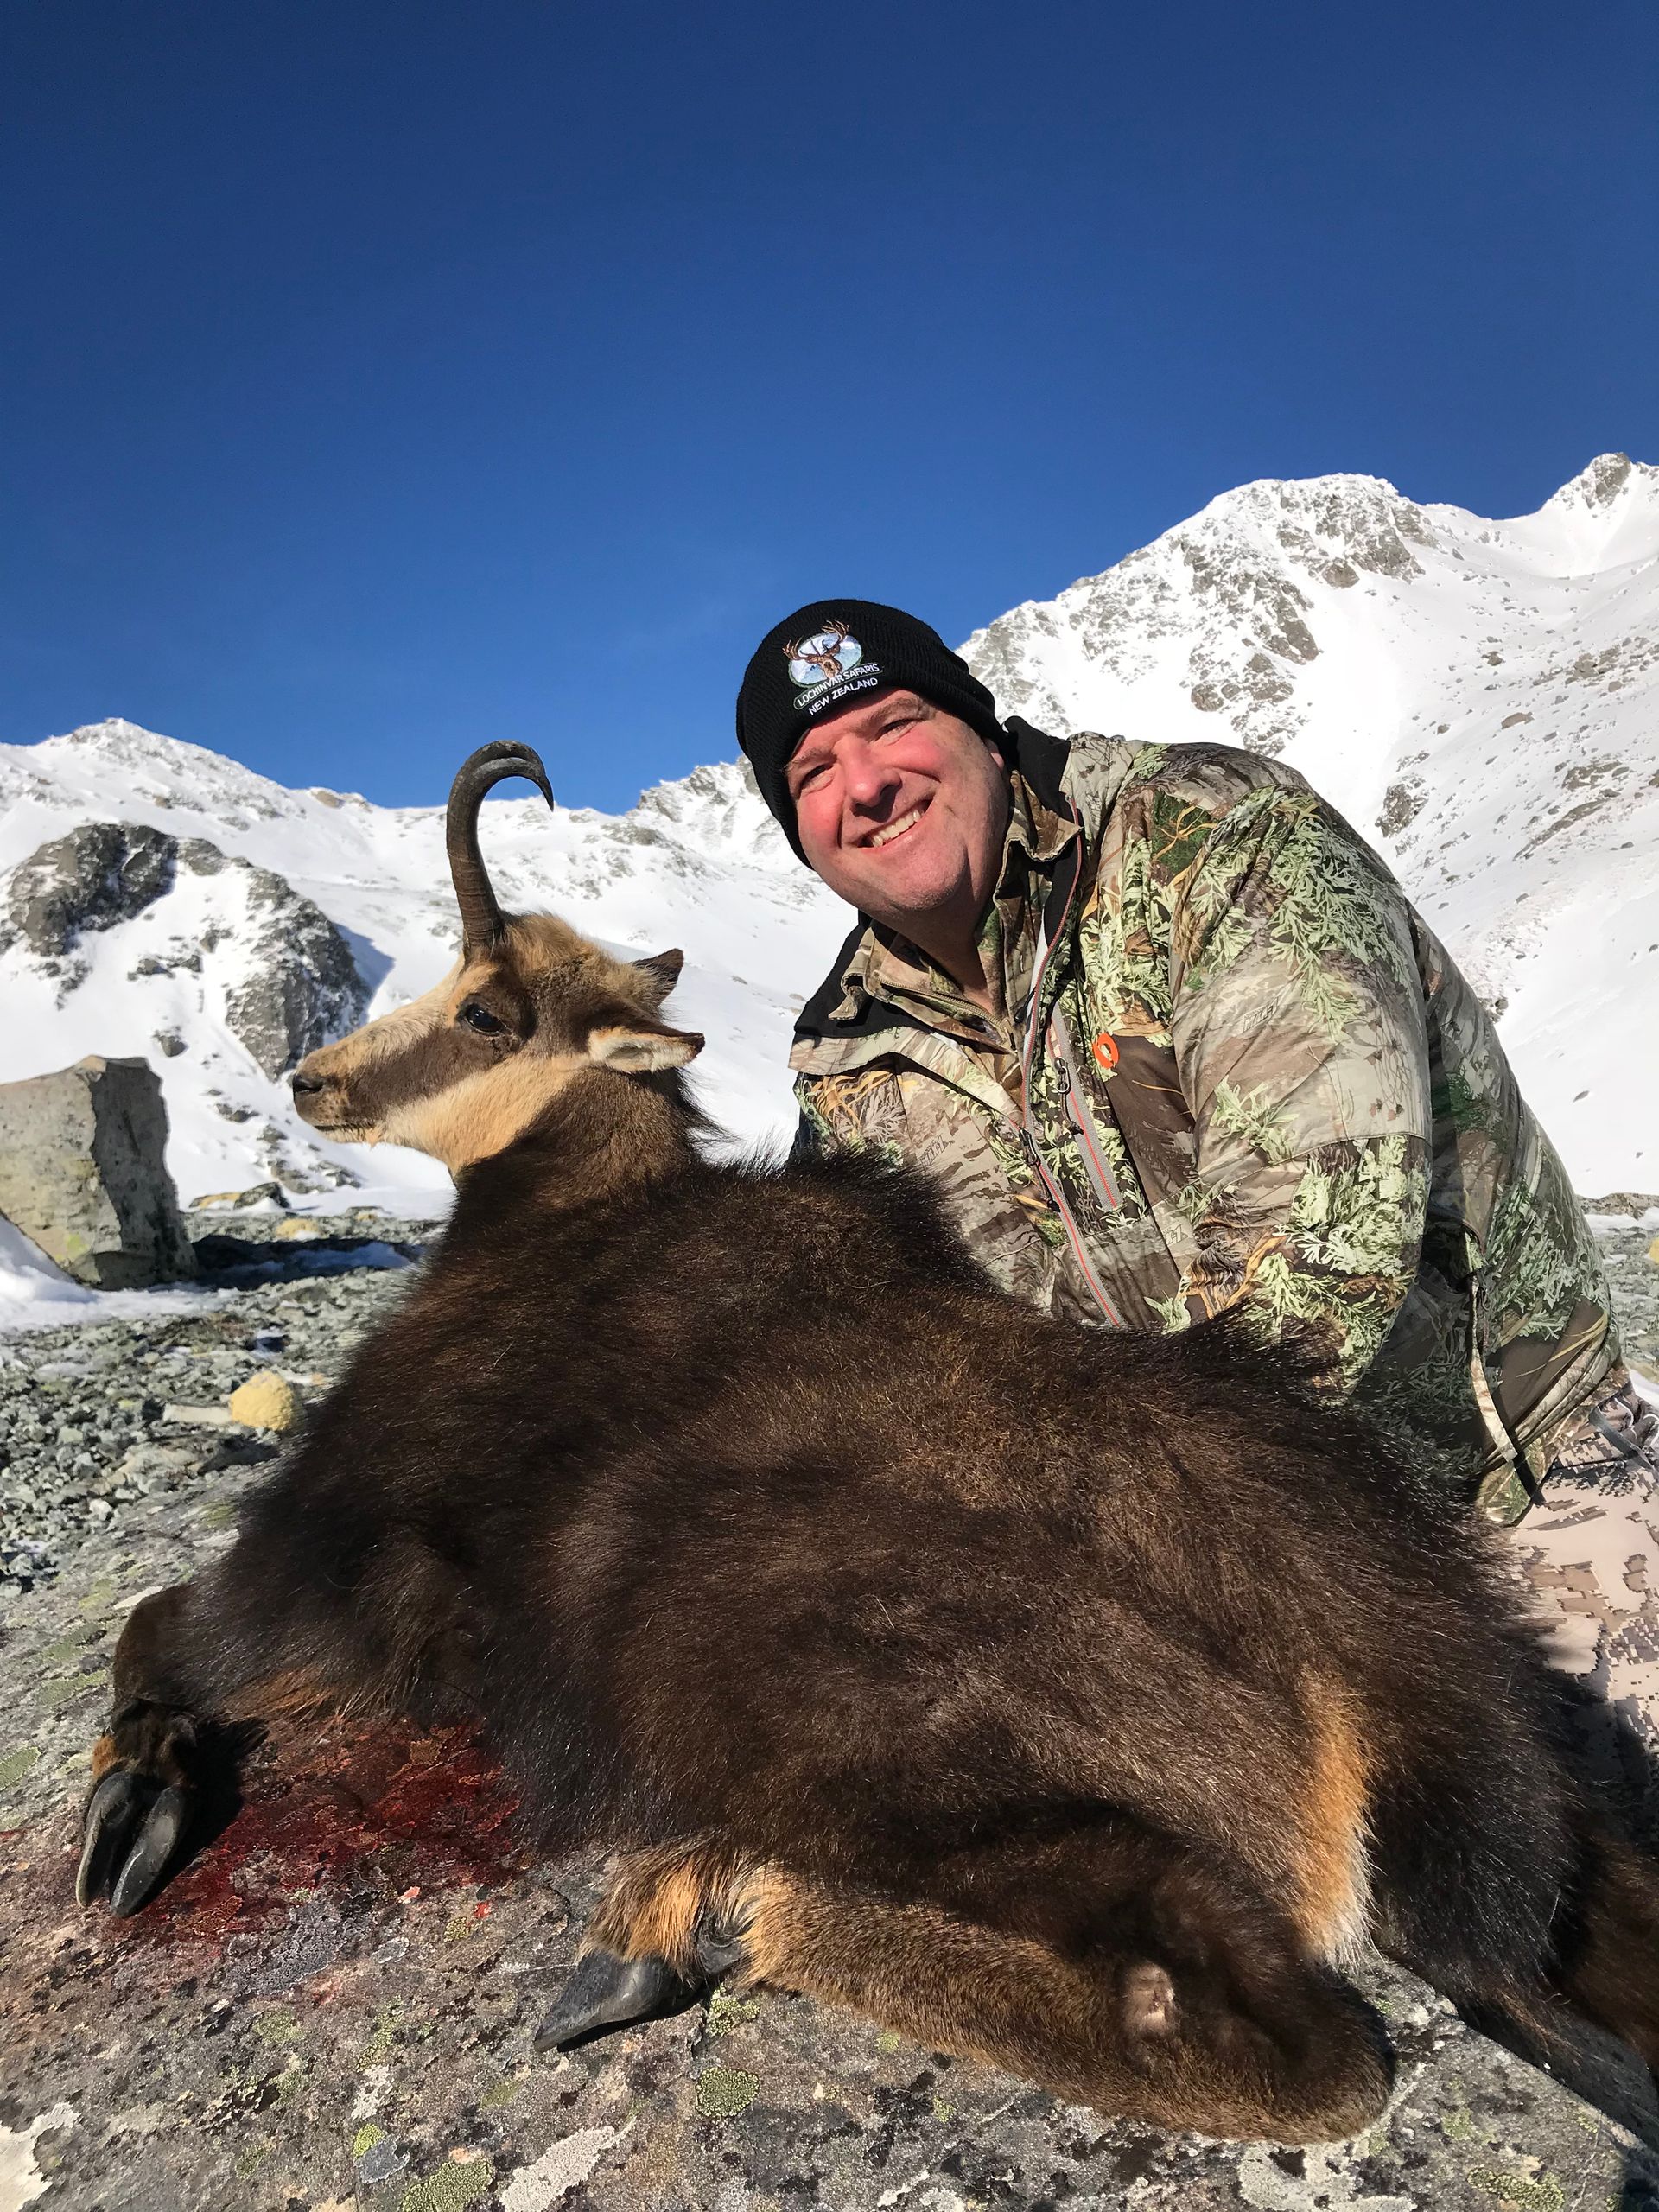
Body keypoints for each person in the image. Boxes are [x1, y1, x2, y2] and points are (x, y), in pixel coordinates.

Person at [736, 598, 1659, 1803]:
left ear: (978, 725)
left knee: (1624, 1857)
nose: (867, 783)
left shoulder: (1216, 844)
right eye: (813, 770)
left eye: (895, 723)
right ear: (798, 831)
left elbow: (1323, 1255)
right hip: (1227, 1577)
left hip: (1498, 1487)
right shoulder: (845, 1067)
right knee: (1472, 1940)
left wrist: (1114, 1549)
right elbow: (866, 1371)